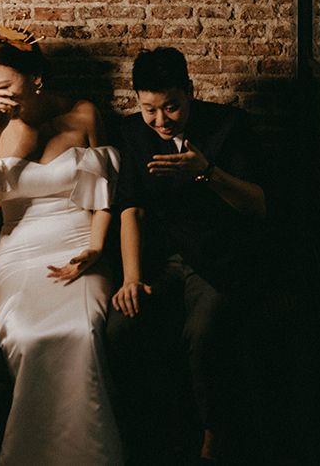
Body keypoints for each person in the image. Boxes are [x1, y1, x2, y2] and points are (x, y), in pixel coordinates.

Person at [0, 28, 123, 465]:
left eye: (3, 86)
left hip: (80, 242)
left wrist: (96, 250)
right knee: (25, 333)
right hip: (21, 249)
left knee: (83, 330)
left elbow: (110, 197)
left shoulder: (83, 115)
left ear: (35, 77)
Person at [107, 47, 267, 464]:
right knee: (120, 328)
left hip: (218, 259)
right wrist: (130, 277)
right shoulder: (133, 133)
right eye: (149, 110)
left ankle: (215, 433)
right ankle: (143, 435)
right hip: (160, 259)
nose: (160, 121)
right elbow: (130, 208)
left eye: (171, 107)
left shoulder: (229, 125)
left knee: (203, 333)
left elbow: (259, 205)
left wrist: (206, 172)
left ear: (190, 93)